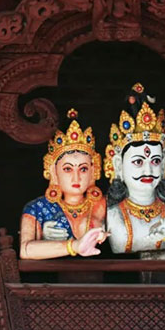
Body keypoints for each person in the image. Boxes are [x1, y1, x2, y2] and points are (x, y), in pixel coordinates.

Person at [105, 84, 165, 259]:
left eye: (156, 161)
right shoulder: (104, 209)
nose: (148, 170)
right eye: (138, 162)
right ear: (118, 165)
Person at [20, 109, 107, 259]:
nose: (76, 177)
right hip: (51, 274)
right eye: (67, 169)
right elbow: (25, 250)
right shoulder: (36, 208)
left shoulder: (103, 205)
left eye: (83, 169)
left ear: (94, 170)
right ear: (54, 171)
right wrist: (73, 246)